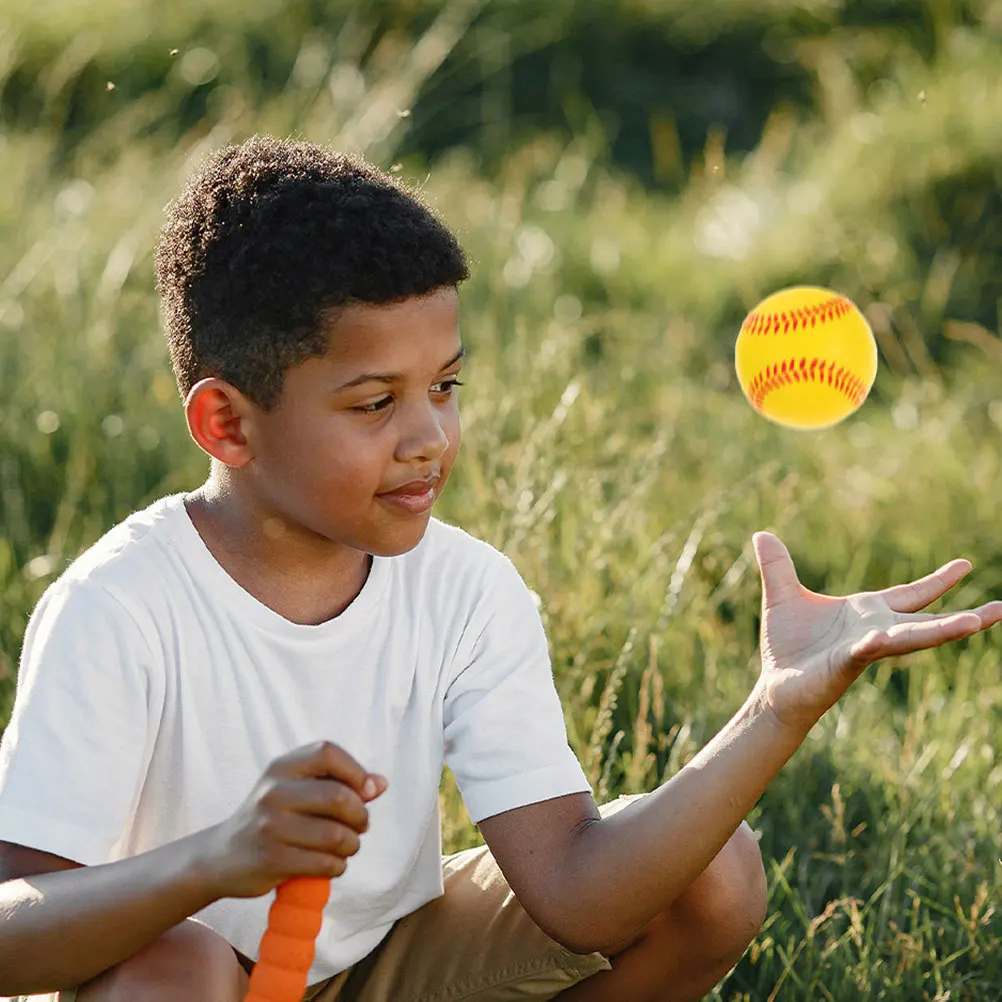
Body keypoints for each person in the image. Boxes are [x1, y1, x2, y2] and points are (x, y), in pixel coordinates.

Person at [0, 137, 998, 1002]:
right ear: (227, 422)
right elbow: (12, 935)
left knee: (713, 875)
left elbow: (575, 893)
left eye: (444, 386)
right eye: (375, 403)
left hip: (381, 962)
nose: (430, 438)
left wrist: (775, 709)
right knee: (178, 965)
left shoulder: (466, 590)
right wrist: (211, 864)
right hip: (168, 979)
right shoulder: (120, 605)